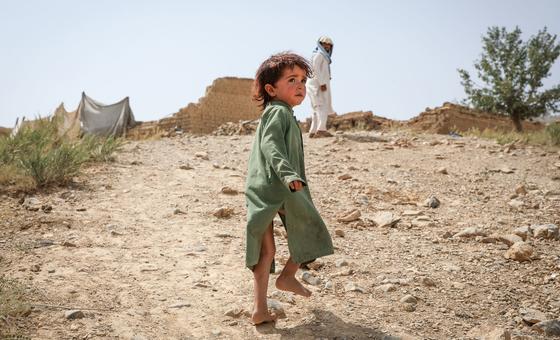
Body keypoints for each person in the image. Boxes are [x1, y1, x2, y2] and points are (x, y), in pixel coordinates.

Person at [246, 52, 334, 325]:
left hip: (264, 190)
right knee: (311, 229)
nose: (299, 86)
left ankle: (260, 309)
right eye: (291, 79)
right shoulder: (278, 113)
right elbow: (271, 146)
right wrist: (288, 175)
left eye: (302, 80)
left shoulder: (284, 115)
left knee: (266, 252)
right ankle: (286, 277)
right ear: (271, 89)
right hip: (282, 187)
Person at [307, 36, 335, 138]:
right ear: (320, 44)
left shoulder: (320, 55)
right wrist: (322, 83)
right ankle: (321, 130)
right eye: (325, 44)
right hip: (318, 85)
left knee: (316, 107)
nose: (327, 46)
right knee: (322, 106)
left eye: (329, 45)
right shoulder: (320, 55)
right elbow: (315, 68)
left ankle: (313, 131)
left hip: (315, 84)